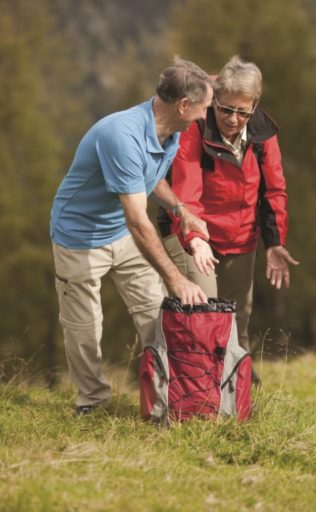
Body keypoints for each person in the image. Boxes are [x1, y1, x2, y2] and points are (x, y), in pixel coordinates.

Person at [50, 57, 214, 414]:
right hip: (79, 235)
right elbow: (138, 220)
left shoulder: (169, 131)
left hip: (120, 231)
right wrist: (176, 278)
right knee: (85, 325)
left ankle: (165, 399)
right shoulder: (121, 135)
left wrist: (180, 210)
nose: (205, 117)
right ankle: (92, 403)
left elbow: (150, 176)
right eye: (203, 109)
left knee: (155, 310)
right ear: (183, 105)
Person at [159, 56, 298, 362]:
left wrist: (274, 243)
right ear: (215, 100)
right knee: (205, 312)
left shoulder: (264, 133)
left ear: (254, 105)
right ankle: (198, 392)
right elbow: (186, 188)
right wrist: (196, 240)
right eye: (225, 109)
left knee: (238, 320)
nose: (233, 119)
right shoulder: (195, 126)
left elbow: (274, 190)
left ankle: (237, 391)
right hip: (193, 234)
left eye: (242, 112)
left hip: (241, 239)